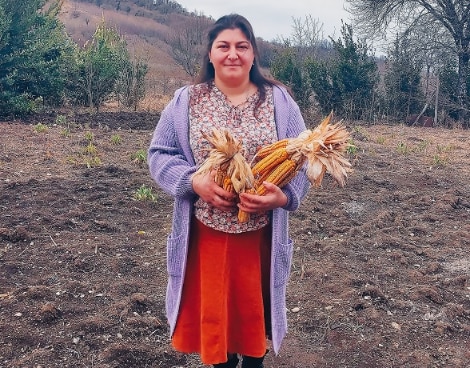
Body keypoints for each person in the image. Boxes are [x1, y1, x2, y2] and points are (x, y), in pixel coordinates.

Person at [148, 13, 310, 368]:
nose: (232, 54)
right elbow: (160, 154)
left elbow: (304, 158)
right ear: (210, 54)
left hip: (260, 238)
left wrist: (283, 197)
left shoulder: (280, 102)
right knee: (216, 326)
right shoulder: (186, 102)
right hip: (206, 236)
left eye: (242, 46)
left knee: (253, 323)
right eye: (224, 46)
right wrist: (193, 182)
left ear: (253, 55)